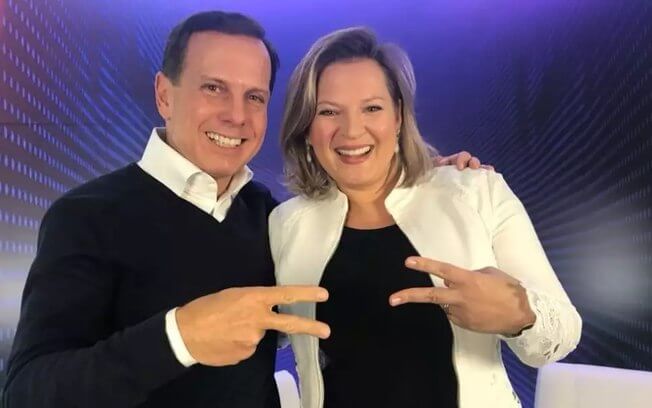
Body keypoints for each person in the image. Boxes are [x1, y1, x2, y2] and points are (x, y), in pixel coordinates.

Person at [2, 11, 482, 408]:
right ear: (164, 94)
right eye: (213, 88)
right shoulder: (85, 216)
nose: (236, 115)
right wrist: (179, 337)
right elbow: (27, 391)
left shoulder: (269, 215)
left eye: (254, 97)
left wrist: (422, 176)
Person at [270, 27, 582, 408]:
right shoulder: (283, 225)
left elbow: (564, 333)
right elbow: (261, 332)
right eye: (329, 112)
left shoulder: (475, 192)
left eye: (372, 108)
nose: (351, 130)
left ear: (398, 117)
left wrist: (519, 315)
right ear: (306, 128)